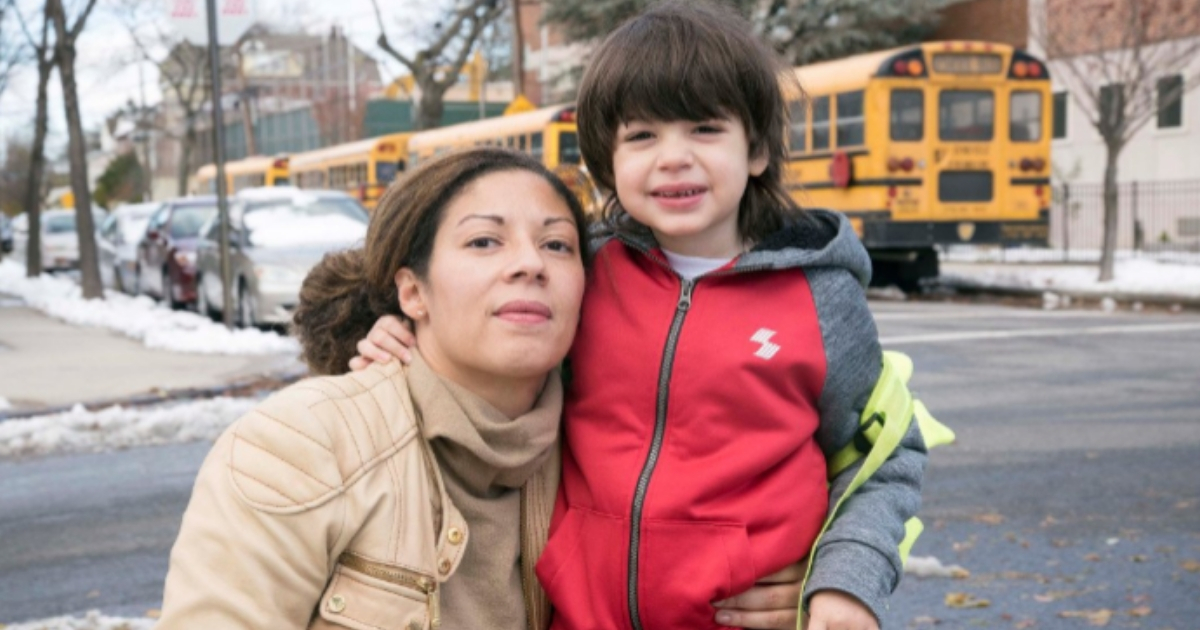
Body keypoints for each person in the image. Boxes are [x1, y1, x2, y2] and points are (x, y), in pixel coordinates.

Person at [350, 3, 928, 630]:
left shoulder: (821, 300)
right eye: (642, 136)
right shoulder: (579, 273)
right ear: (608, 162)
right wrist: (408, 337)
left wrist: (843, 582)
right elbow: (488, 358)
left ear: (757, 149)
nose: (672, 158)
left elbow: (882, 462)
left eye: (705, 129)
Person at [157, 147, 804, 630]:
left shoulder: (609, 450)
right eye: (484, 241)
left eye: (556, 244)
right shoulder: (302, 446)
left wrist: (815, 581)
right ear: (412, 292)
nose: (528, 263)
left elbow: (851, 460)